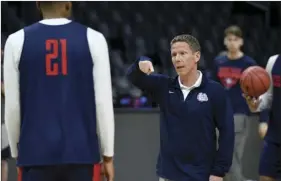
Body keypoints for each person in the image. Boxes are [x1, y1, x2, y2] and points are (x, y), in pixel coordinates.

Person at [3, 2, 115, 181]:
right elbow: (102, 103)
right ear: (68, 4)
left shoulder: (16, 41)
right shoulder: (94, 38)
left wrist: (18, 153)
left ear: (38, 4)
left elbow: (13, 106)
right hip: (81, 152)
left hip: (34, 153)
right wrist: (107, 154)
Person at [127, 34, 234, 181]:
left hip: (201, 175)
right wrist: (141, 63)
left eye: (182, 53)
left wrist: (219, 171)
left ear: (197, 56)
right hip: (169, 175)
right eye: (174, 54)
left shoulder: (214, 91)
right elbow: (134, 77)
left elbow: (227, 132)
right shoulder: (164, 86)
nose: (177, 59)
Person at [212, 25, 257, 181]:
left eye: (235, 39)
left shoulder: (248, 63)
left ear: (241, 42)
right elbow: (212, 86)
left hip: (239, 112)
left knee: (234, 153)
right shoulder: (218, 61)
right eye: (229, 39)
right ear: (225, 41)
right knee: (220, 153)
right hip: (219, 113)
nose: (232, 43)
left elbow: (255, 89)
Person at [245, 54, 281, 181]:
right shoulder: (274, 61)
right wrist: (255, 104)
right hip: (275, 134)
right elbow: (268, 96)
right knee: (265, 176)